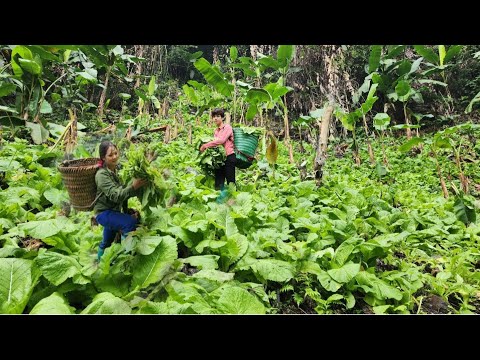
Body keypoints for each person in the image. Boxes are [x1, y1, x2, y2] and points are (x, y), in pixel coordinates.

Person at [94, 140, 148, 261]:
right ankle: (126, 259)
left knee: (107, 241)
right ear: (103, 157)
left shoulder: (116, 170)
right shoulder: (101, 175)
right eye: (110, 155)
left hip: (113, 211)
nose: (114, 157)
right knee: (129, 223)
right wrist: (134, 186)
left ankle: (99, 262)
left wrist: (125, 210)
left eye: (116, 153)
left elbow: (123, 194)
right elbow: (116, 196)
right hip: (103, 213)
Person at [199, 108, 236, 203]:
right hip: (220, 159)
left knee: (230, 181)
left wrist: (206, 145)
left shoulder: (227, 128)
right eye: (214, 117)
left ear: (222, 118)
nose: (215, 118)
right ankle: (220, 203)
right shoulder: (216, 131)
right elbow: (216, 145)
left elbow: (221, 141)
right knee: (219, 182)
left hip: (229, 157)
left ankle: (233, 202)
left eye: (218, 116)